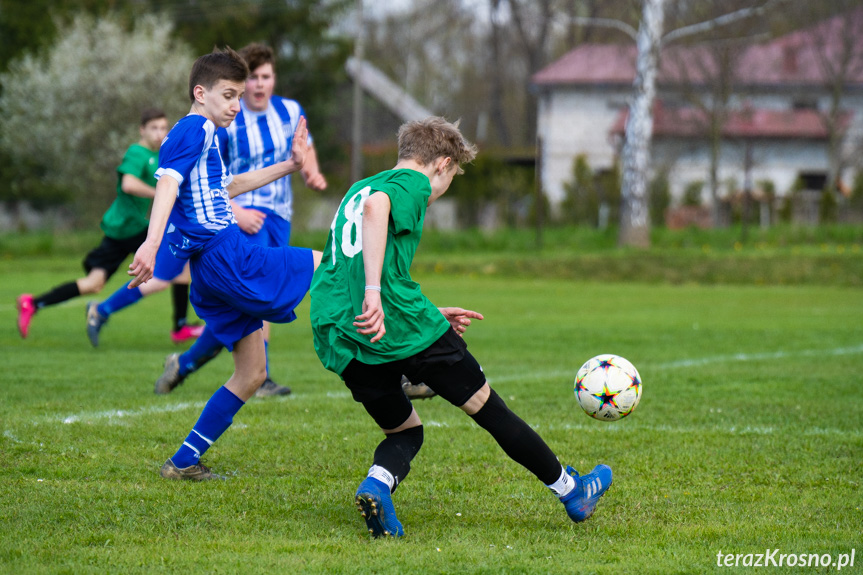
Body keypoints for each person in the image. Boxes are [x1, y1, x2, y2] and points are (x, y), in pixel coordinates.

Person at [309, 117, 612, 538]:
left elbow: (361, 250)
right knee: (489, 409)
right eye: (451, 176)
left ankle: (377, 486)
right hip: (388, 318)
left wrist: (427, 310)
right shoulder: (409, 184)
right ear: (442, 164)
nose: (443, 188)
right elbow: (379, 208)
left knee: (405, 431)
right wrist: (378, 293)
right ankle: (572, 491)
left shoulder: (360, 186)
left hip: (340, 329)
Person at [127, 47, 321, 481]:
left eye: (239, 95)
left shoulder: (207, 133)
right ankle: (400, 367)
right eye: (229, 95)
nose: (238, 104)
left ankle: (182, 463)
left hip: (213, 266)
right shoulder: (193, 128)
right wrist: (150, 243)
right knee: (329, 264)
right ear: (201, 93)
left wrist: (291, 164)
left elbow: (227, 187)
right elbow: (168, 185)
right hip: (226, 256)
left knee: (252, 374)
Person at [15, 109, 199, 343]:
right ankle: (170, 324)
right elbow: (129, 183)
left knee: (99, 283)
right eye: (154, 128)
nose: (159, 133)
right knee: (163, 272)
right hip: (125, 229)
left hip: (137, 228)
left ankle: (33, 303)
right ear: (142, 130)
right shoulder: (137, 152)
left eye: (163, 128)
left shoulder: (159, 155)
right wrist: (161, 194)